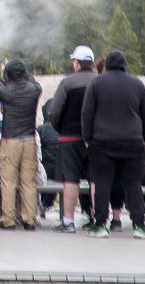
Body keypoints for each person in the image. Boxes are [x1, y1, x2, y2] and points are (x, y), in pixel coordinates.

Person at [77, 49, 145, 238]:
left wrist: (87, 139)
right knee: (134, 184)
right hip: (133, 141)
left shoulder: (96, 83)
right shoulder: (137, 84)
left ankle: (100, 224)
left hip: (102, 141)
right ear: (125, 64)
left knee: (102, 184)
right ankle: (139, 226)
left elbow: (87, 114)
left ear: (107, 64)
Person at [44, 44, 97, 232]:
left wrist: (61, 129)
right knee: (95, 180)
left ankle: (68, 221)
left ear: (76, 63)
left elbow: (54, 112)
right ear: (92, 62)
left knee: (71, 180)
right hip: (95, 139)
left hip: (69, 138)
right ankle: (98, 220)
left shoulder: (67, 83)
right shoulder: (99, 81)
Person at [0, 59, 41, 231]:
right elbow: (33, 81)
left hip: (10, 140)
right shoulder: (34, 90)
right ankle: (29, 219)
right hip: (29, 139)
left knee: (8, 181)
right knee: (28, 182)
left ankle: (8, 220)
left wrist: (3, 73)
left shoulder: (5, 91)